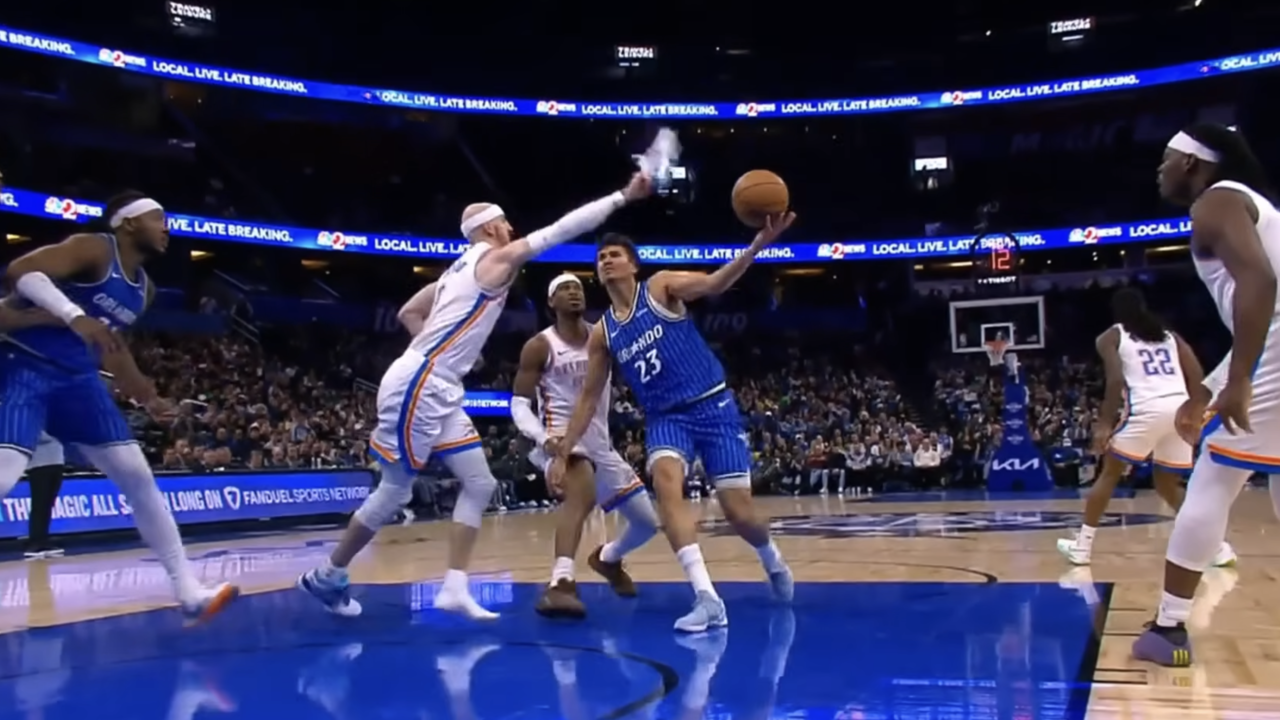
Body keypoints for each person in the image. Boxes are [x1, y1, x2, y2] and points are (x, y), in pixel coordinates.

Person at [298, 173, 653, 619]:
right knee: (394, 490)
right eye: (504, 223)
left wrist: (444, 353)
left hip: (439, 384)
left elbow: (409, 312)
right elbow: (560, 230)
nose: (511, 229)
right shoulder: (494, 259)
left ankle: (454, 587)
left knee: (480, 483)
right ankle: (328, 575)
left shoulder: (455, 271)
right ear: (489, 228)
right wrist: (622, 196)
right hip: (420, 383)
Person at [0, 191, 237, 622]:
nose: (167, 228)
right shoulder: (93, 247)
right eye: (158, 218)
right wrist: (74, 316)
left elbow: (112, 345)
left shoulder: (144, 290)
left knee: (137, 476)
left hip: (78, 380)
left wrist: (149, 397)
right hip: (25, 364)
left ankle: (189, 591)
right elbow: (20, 272)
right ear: (128, 223)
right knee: (5, 474)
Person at [551, 219, 797, 633]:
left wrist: (757, 245)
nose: (606, 261)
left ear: (633, 265)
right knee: (666, 486)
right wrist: (563, 451)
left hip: (713, 406)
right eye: (601, 257)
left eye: (615, 255)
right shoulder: (603, 333)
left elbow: (716, 283)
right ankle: (707, 598)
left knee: (740, 514)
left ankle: (771, 558)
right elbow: (589, 399)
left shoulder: (661, 287)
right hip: (666, 419)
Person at [1132, 123, 1280, 666]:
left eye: (1166, 159)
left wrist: (1238, 380)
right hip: (1270, 345)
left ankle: (1169, 628)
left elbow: (1262, 286)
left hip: (1275, 347)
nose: (1160, 169)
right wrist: (1211, 388)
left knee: (1214, 478)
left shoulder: (1215, 202)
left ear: (1192, 163)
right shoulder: (1254, 204)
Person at [510, 274, 660, 618]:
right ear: (551, 302)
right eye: (564, 288)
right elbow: (518, 405)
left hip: (600, 444)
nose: (573, 292)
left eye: (577, 287)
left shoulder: (603, 337)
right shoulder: (540, 345)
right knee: (581, 495)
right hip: (561, 440)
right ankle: (560, 583)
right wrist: (546, 440)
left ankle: (607, 558)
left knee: (647, 523)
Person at [1057, 287, 1236, 567]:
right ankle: (1217, 548)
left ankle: (1082, 547)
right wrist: (1195, 409)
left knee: (1109, 475)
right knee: (1167, 485)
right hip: (1179, 410)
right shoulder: (1170, 336)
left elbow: (1115, 380)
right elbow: (1197, 373)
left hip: (1146, 408)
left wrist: (1105, 424)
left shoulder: (1111, 336)